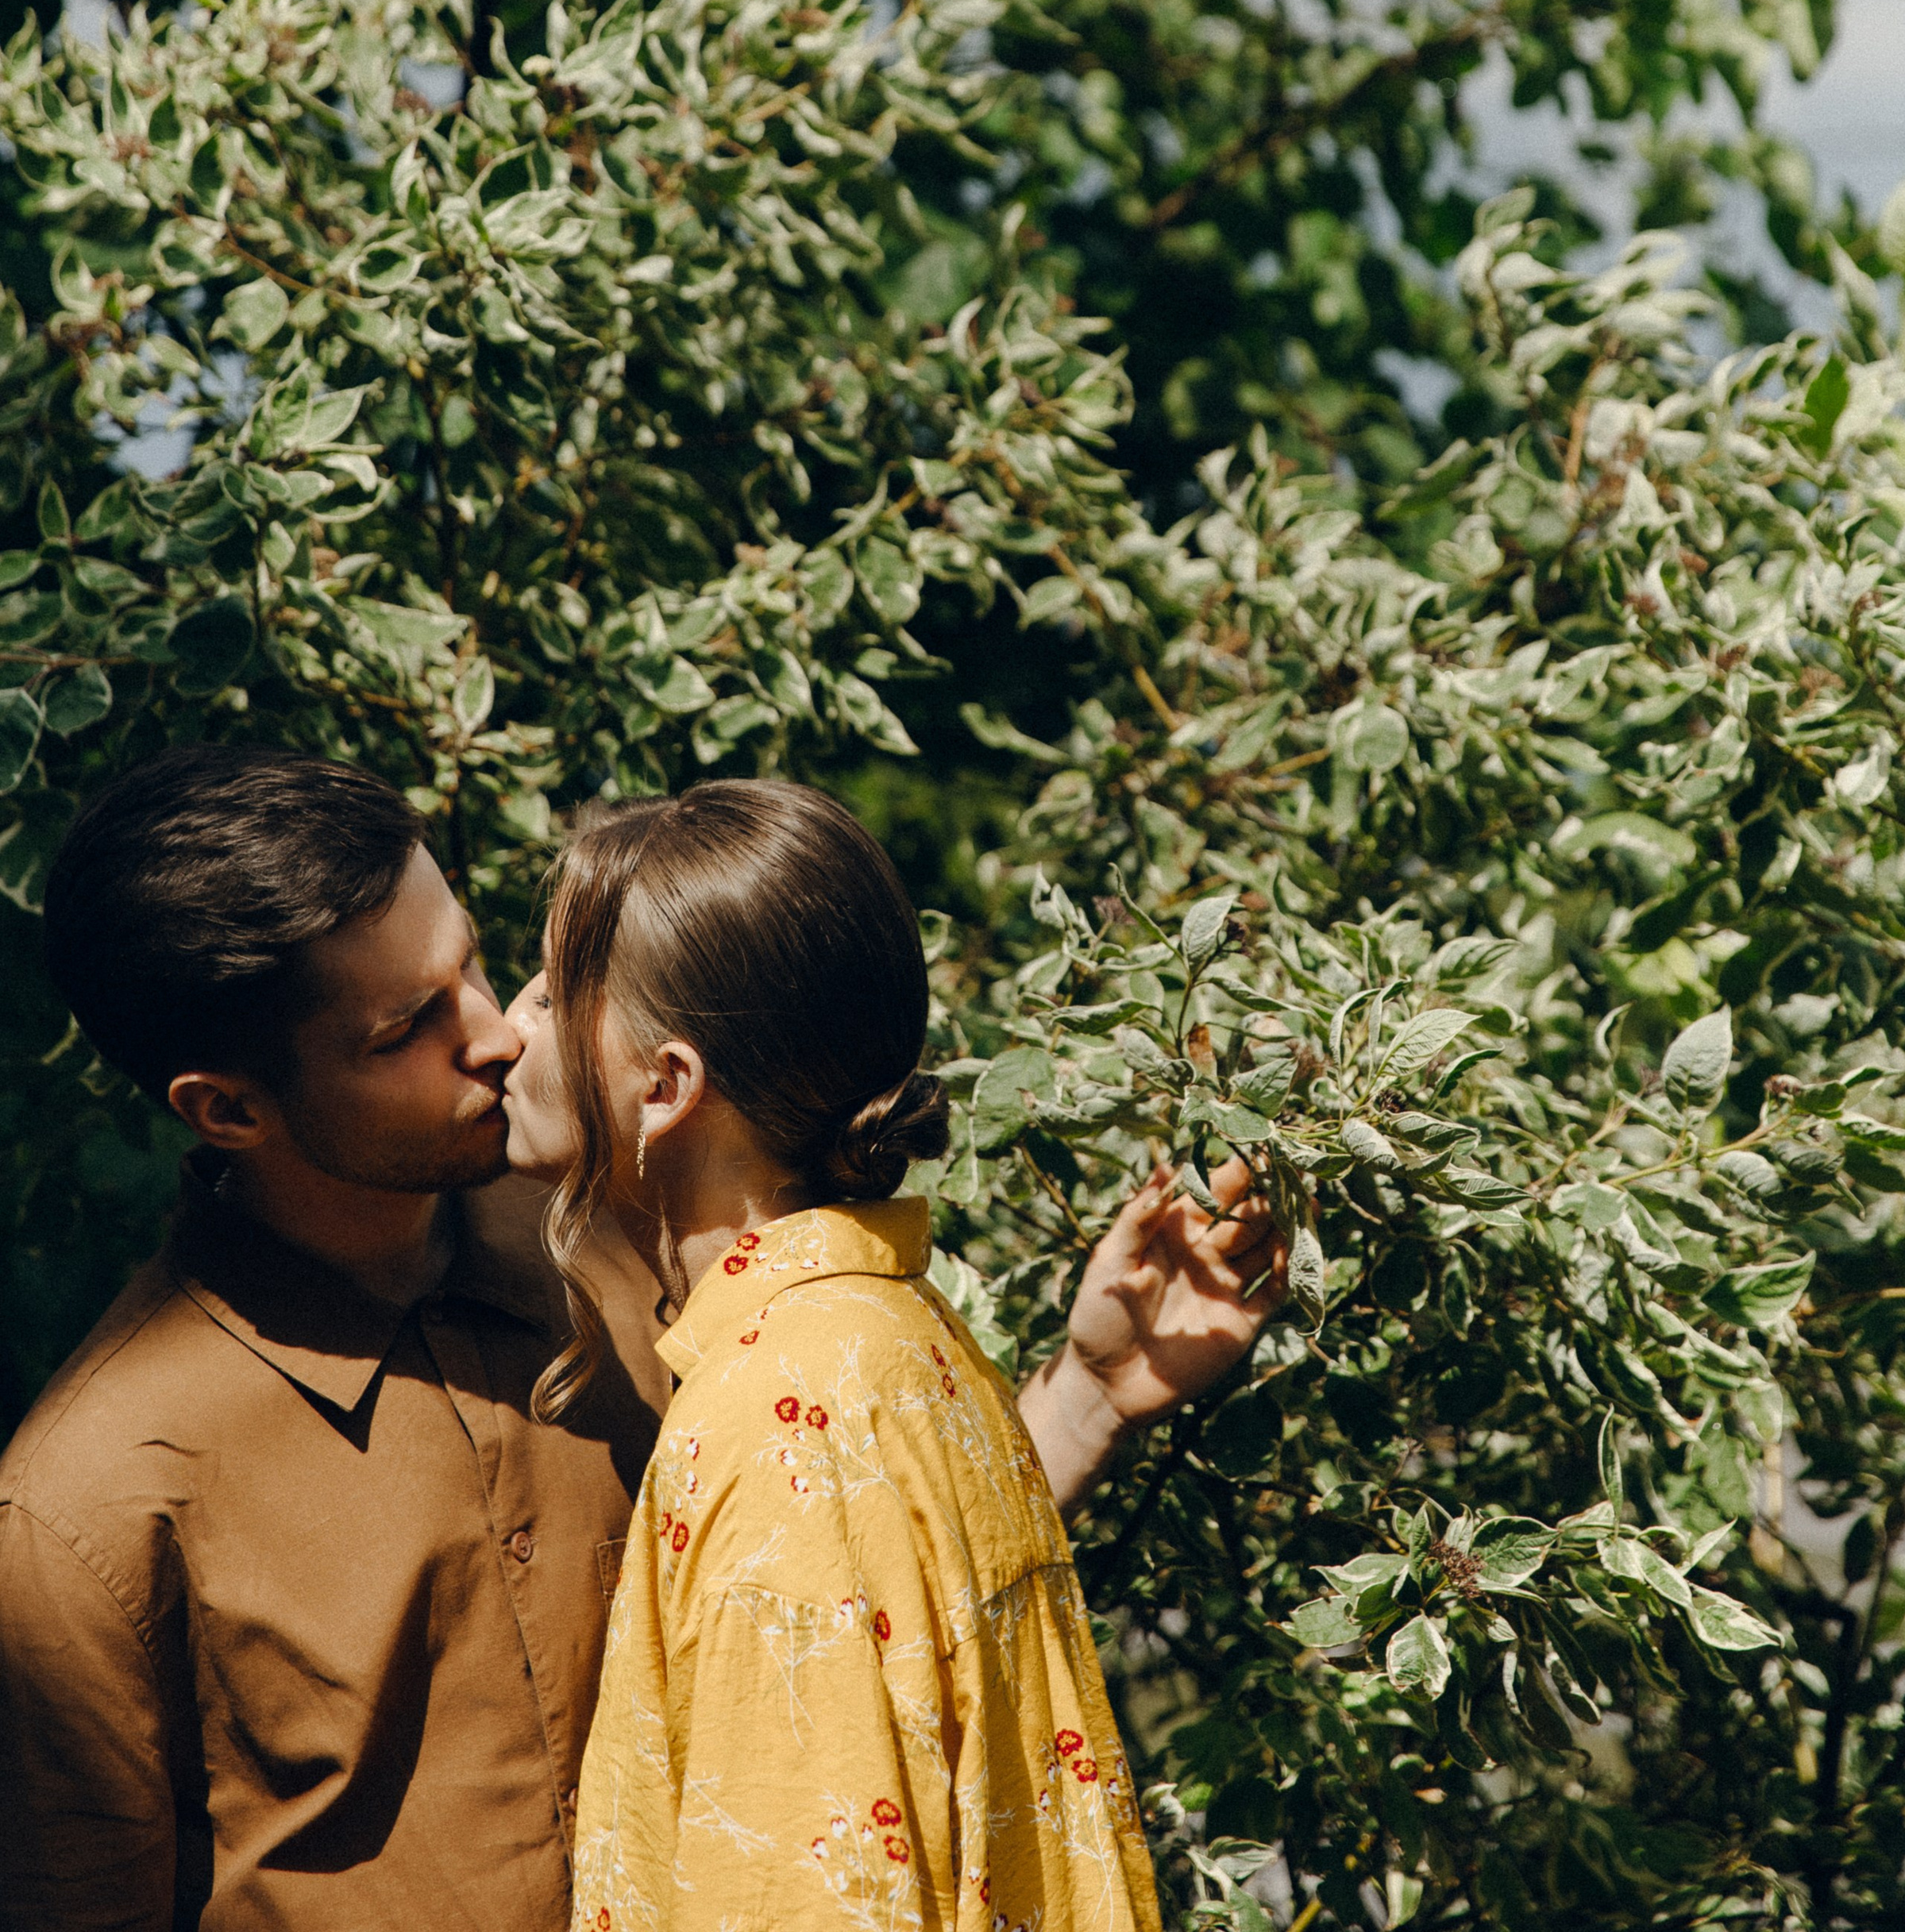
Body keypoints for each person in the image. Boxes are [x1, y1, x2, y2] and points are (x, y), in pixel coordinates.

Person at [0, 746, 1283, 1932]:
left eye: (474, 964)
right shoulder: (86, 1514)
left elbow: (832, 1612)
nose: (498, 1034)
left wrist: (1089, 1400)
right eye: (408, 1030)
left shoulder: (607, 1241)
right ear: (226, 1108)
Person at [501, 777, 1189, 1932]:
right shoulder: (891, 1332)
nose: (505, 1029)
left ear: (663, 1089)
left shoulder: (777, 1421)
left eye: (548, 991)